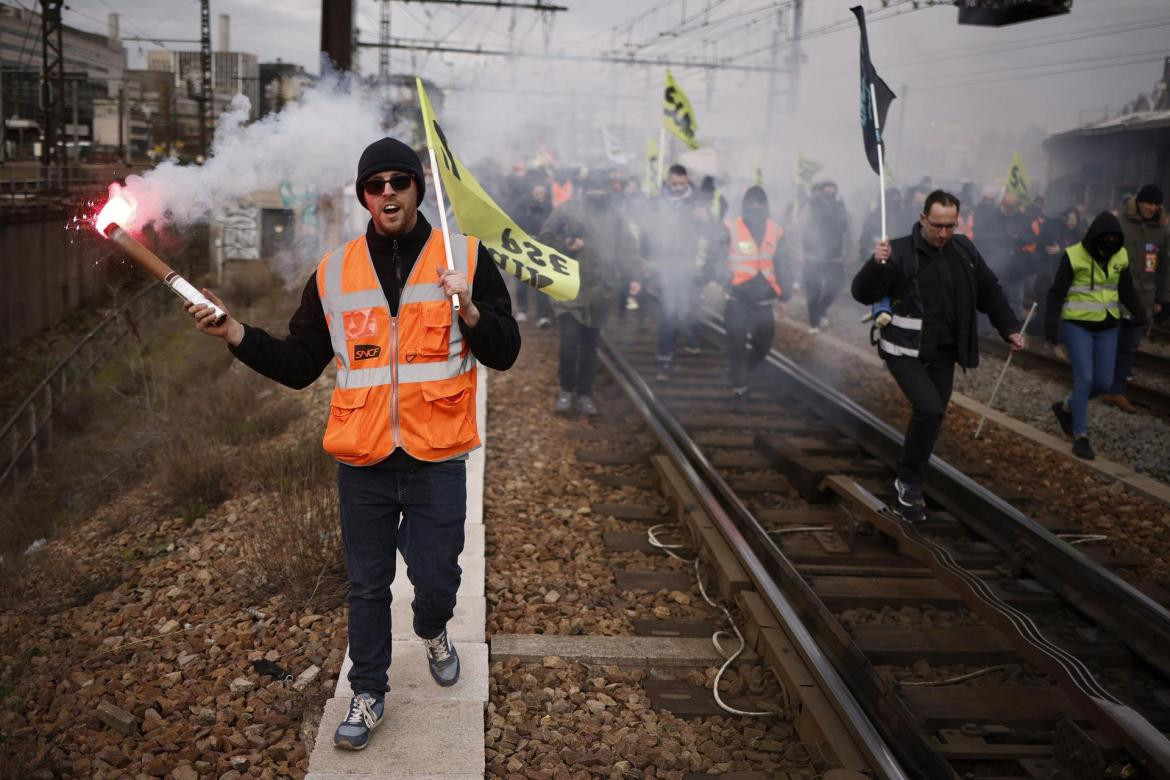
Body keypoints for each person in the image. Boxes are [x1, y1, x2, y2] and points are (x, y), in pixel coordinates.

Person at [184, 137, 520, 751]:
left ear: (419, 187)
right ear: (363, 195)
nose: (387, 192)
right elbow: (298, 363)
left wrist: (471, 311)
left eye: (398, 180)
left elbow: (507, 351)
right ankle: (368, 692)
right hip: (363, 461)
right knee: (367, 585)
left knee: (436, 577)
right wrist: (233, 330)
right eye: (374, 185)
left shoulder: (466, 260)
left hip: (438, 457)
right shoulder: (334, 273)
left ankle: (434, 627)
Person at [851, 190, 1023, 522]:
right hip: (903, 349)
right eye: (937, 225)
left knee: (935, 414)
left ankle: (912, 475)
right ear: (923, 219)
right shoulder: (898, 251)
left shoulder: (964, 251)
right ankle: (908, 483)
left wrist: (1010, 327)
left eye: (950, 226)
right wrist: (875, 264)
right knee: (928, 409)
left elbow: (989, 290)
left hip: (944, 351)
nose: (943, 233)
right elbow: (862, 293)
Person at [1045, 212, 1147, 459]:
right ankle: (1081, 436)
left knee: (1103, 382)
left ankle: (1066, 407)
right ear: (1094, 236)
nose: (1110, 242)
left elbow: (1126, 290)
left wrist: (1141, 314)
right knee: (1085, 379)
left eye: (1115, 238)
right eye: (1106, 237)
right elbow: (1056, 293)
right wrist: (1051, 327)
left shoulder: (1120, 255)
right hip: (1077, 325)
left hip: (1108, 326)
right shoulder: (1073, 255)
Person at [540, 171, 641, 416]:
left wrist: (636, 276)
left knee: (590, 346)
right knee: (569, 344)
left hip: (600, 292)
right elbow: (545, 237)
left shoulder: (616, 218)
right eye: (594, 191)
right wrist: (565, 245)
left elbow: (628, 249)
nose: (599, 195)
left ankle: (584, 394)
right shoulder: (567, 210)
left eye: (602, 191)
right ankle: (566, 390)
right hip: (569, 290)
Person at [709, 186, 792, 411]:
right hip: (736, 298)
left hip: (764, 300)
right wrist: (724, 278)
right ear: (744, 205)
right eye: (751, 203)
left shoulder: (776, 231)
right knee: (736, 345)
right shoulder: (730, 227)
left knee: (764, 344)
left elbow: (784, 263)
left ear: (766, 206)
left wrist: (785, 295)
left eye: (760, 203)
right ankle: (740, 389)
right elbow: (715, 255)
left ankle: (744, 371)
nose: (756, 208)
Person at [1100, 185, 1169, 413]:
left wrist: (1161, 298)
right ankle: (1099, 384)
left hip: (1144, 298)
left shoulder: (1161, 231)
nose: (1152, 208)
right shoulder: (1119, 223)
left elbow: (1164, 268)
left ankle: (1117, 391)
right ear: (1139, 201)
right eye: (1148, 203)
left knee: (1129, 346)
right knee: (1109, 341)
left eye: (1156, 204)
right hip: (1115, 294)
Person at [646, 164, 705, 379]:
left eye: (682, 184)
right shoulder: (657, 202)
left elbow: (709, 233)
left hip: (688, 265)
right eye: (674, 184)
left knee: (684, 310)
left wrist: (705, 220)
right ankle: (665, 358)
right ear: (668, 182)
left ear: (687, 181)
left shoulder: (697, 203)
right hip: (665, 264)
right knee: (668, 311)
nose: (678, 188)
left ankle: (676, 349)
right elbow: (648, 230)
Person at [801, 180, 850, 332]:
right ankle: (814, 322)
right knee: (813, 290)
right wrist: (799, 252)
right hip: (813, 256)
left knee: (836, 286)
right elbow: (799, 229)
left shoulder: (840, 207)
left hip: (834, 257)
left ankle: (821, 309)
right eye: (827, 187)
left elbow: (848, 231)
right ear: (821, 190)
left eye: (833, 187)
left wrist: (848, 253)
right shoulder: (811, 206)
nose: (830, 190)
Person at [512, 180, 555, 328]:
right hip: (524, 249)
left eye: (541, 194)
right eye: (536, 193)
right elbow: (514, 225)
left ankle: (542, 315)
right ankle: (522, 310)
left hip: (543, 251)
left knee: (542, 283)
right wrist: (525, 237)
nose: (538, 196)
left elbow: (554, 229)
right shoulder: (523, 208)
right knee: (522, 281)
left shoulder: (551, 209)